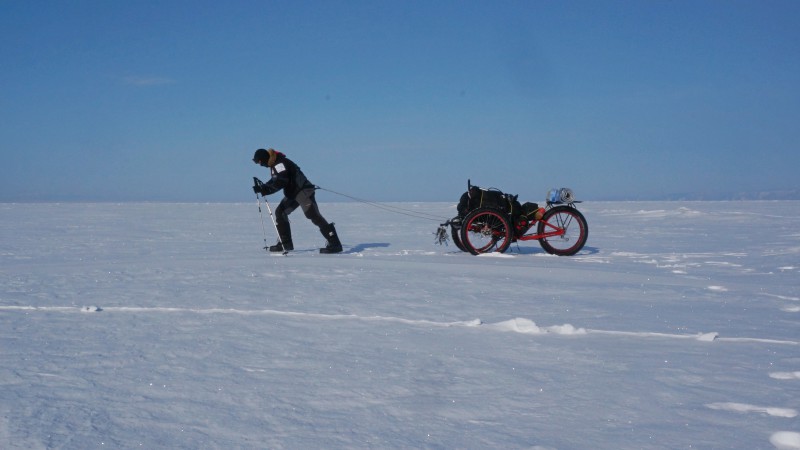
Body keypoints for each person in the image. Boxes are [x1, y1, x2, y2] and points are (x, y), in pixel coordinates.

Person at [252, 148, 343, 254]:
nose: (260, 165)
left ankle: (335, 244)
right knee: (280, 213)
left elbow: (281, 181)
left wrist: (265, 190)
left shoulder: (279, 164)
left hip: (303, 191)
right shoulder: (274, 164)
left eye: (259, 162)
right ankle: (285, 243)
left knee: (313, 215)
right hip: (293, 194)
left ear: (264, 159)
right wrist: (264, 187)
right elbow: (275, 180)